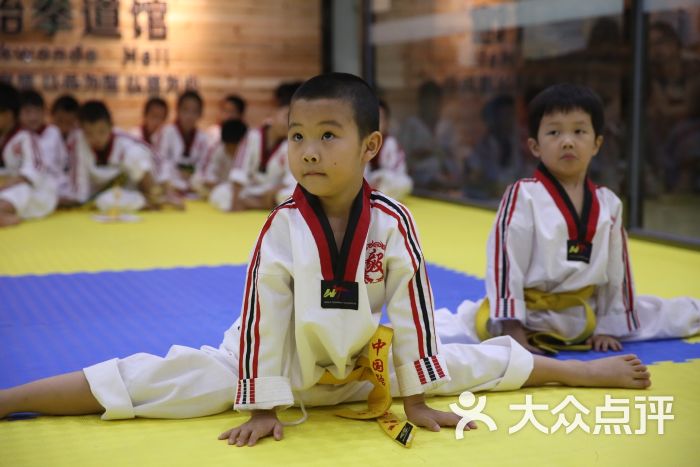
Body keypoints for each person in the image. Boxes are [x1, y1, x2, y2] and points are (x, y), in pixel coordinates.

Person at [0, 75, 652, 449]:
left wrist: (417, 396)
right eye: (297, 138)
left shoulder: (394, 221)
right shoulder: (282, 227)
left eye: (327, 136)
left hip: (372, 370)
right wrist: (260, 404)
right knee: (160, 379)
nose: (308, 152)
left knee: (476, 360)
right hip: (277, 367)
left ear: (369, 145)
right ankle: (11, 398)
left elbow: (411, 309)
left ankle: (585, 370)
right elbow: (262, 317)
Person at [436, 83, 700, 355]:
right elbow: (504, 263)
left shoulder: (608, 202)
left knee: (666, 313)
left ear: (597, 143)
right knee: (448, 330)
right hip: (530, 316)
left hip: (586, 313)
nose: (567, 141)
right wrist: (513, 328)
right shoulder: (523, 195)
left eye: (579, 131)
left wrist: (607, 327)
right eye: (554, 132)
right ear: (535, 146)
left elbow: (617, 272)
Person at [62, 100, 177, 212]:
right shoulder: (78, 142)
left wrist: (166, 190)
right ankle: (144, 202)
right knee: (104, 201)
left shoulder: (124, 140)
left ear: (111, 126)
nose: (96, 138)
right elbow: (80, 185)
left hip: (127, 188)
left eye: (101, 132)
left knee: (136, 155)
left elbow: (158, 159)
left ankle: (153, 197)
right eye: (89, 133)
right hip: (98, 194)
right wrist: (78, 200)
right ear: (82, 130)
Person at [209, 82, 299, 211]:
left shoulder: (290, 144)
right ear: (274, 112)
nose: (288, 124)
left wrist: (276, 190)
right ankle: (259, 205)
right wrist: (235, 202)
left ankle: (254, 204)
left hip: (271, 192)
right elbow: (240, 168)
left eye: (293, 121)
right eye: (286, 117)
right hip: (250, 190)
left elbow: (291, 178)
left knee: (291, 194)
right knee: (219, 193)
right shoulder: (252, 136)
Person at [0, 83, 58, 227]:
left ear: (8, 114)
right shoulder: (3, 137)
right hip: (7, 187)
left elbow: (35, 168)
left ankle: (5, 215)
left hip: (35, 192)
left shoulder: (26, 136)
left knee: (18, 191)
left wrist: (8, 183)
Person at [155, 90, 212, 191]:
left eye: (194, 111)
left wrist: (192, 174)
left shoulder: (203, 137)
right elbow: (162, 160)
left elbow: (203, 164)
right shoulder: (167, 132)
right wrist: (178, 173)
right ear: (178, 110)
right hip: (170, 180)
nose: (189, 115)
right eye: (185, 110)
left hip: (192, 182)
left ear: (200, 114)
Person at [19, 89, 69, 191]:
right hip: (27, 182)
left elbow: (62, 160)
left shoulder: (53, 132)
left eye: (37, 111)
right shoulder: (18, 136)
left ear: (44, 111)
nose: (33, 117)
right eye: (27, 112)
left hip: (54, 181)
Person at [365, 99, 412, 200]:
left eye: (380, 119)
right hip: (365, 184)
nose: (376, 123)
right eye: (373, 119)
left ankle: (378, 199)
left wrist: (378, 178)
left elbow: (391, 175)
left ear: (386, 123)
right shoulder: (362, 142)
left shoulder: (390, 143)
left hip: (384, 186)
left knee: (406, 183)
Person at [191, 118, 248, 198]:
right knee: (195, 181)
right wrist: (211, 181)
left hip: (239, 189)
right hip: (219, 186)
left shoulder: (247, 152)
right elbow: (210, 172)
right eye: (228, 147)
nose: (231, 150)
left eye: (234, 147)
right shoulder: (218, 150)